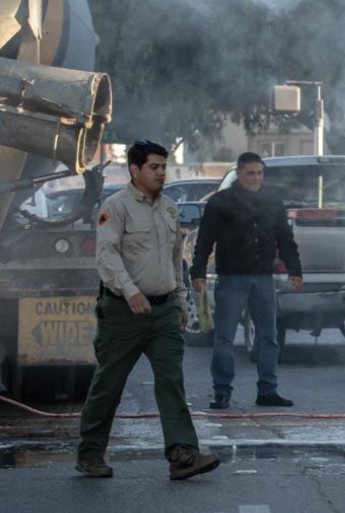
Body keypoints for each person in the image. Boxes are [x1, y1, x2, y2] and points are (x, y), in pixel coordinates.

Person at [76, 140, 220, 481]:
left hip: (164, 311)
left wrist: (179, 299)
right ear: (134, 170)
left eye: (163, 167)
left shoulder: (169, 209)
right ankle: (90, 453)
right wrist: (130, 292)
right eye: (153, 167)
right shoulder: (116, 207)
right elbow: (107, 257)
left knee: (171, 381)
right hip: (123, 313)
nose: (160, 173)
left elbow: (175, 259)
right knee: (109, 383)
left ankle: (183, 454)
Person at [191, 152, 303, 409]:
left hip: (263, 278)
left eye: (260, 173)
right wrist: (197, 272)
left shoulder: (272, 201)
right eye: (251, 173)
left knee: (269, 337)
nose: (256, 178)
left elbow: (285, 239)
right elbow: (204, 240)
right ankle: (222, 391)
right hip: (231, 278)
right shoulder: (220, 202)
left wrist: (295, 270)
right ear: (239, 173)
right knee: (225, 337)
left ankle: (268, 390)